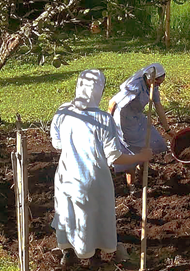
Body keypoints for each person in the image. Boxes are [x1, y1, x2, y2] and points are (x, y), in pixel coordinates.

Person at [50, 69, 153, 268]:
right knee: (95, 216)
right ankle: (94, 258)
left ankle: (68, 254)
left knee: (68, 211)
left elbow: (57, 144)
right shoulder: (103, 119)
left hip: (66, 176)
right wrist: (141, 156)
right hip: (94, 179)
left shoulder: (63, 112)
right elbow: (114, 157)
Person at [108, 63, 173, 194]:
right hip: (124, 121)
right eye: (158, 82)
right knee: (132, 151)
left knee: (150, 141)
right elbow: (112, 102)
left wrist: (168, 130)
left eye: (161, 83)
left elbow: (158, 107)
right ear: (149, 79)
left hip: (138, 117)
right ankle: (131, 186)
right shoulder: (135, 86)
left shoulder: (153, 87)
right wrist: (108, 124)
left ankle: (141, 168)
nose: (159, 85)